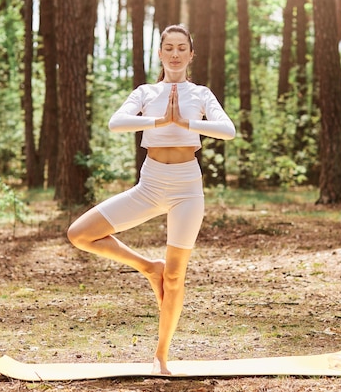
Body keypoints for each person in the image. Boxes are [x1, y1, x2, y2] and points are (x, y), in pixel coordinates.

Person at [67, 24, 235, 375]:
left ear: (191, 54)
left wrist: (186, 123)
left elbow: (228, 130)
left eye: (181, 48)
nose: (175, 53)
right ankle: (147, 266)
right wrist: (159, 120)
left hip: (187, 188)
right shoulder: (145, 92)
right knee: (79, 233)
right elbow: (116, 123)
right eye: (168, 47)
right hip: (150, 185)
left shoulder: (201, 93)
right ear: (160, 54)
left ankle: (161, 355)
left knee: (175, 277)